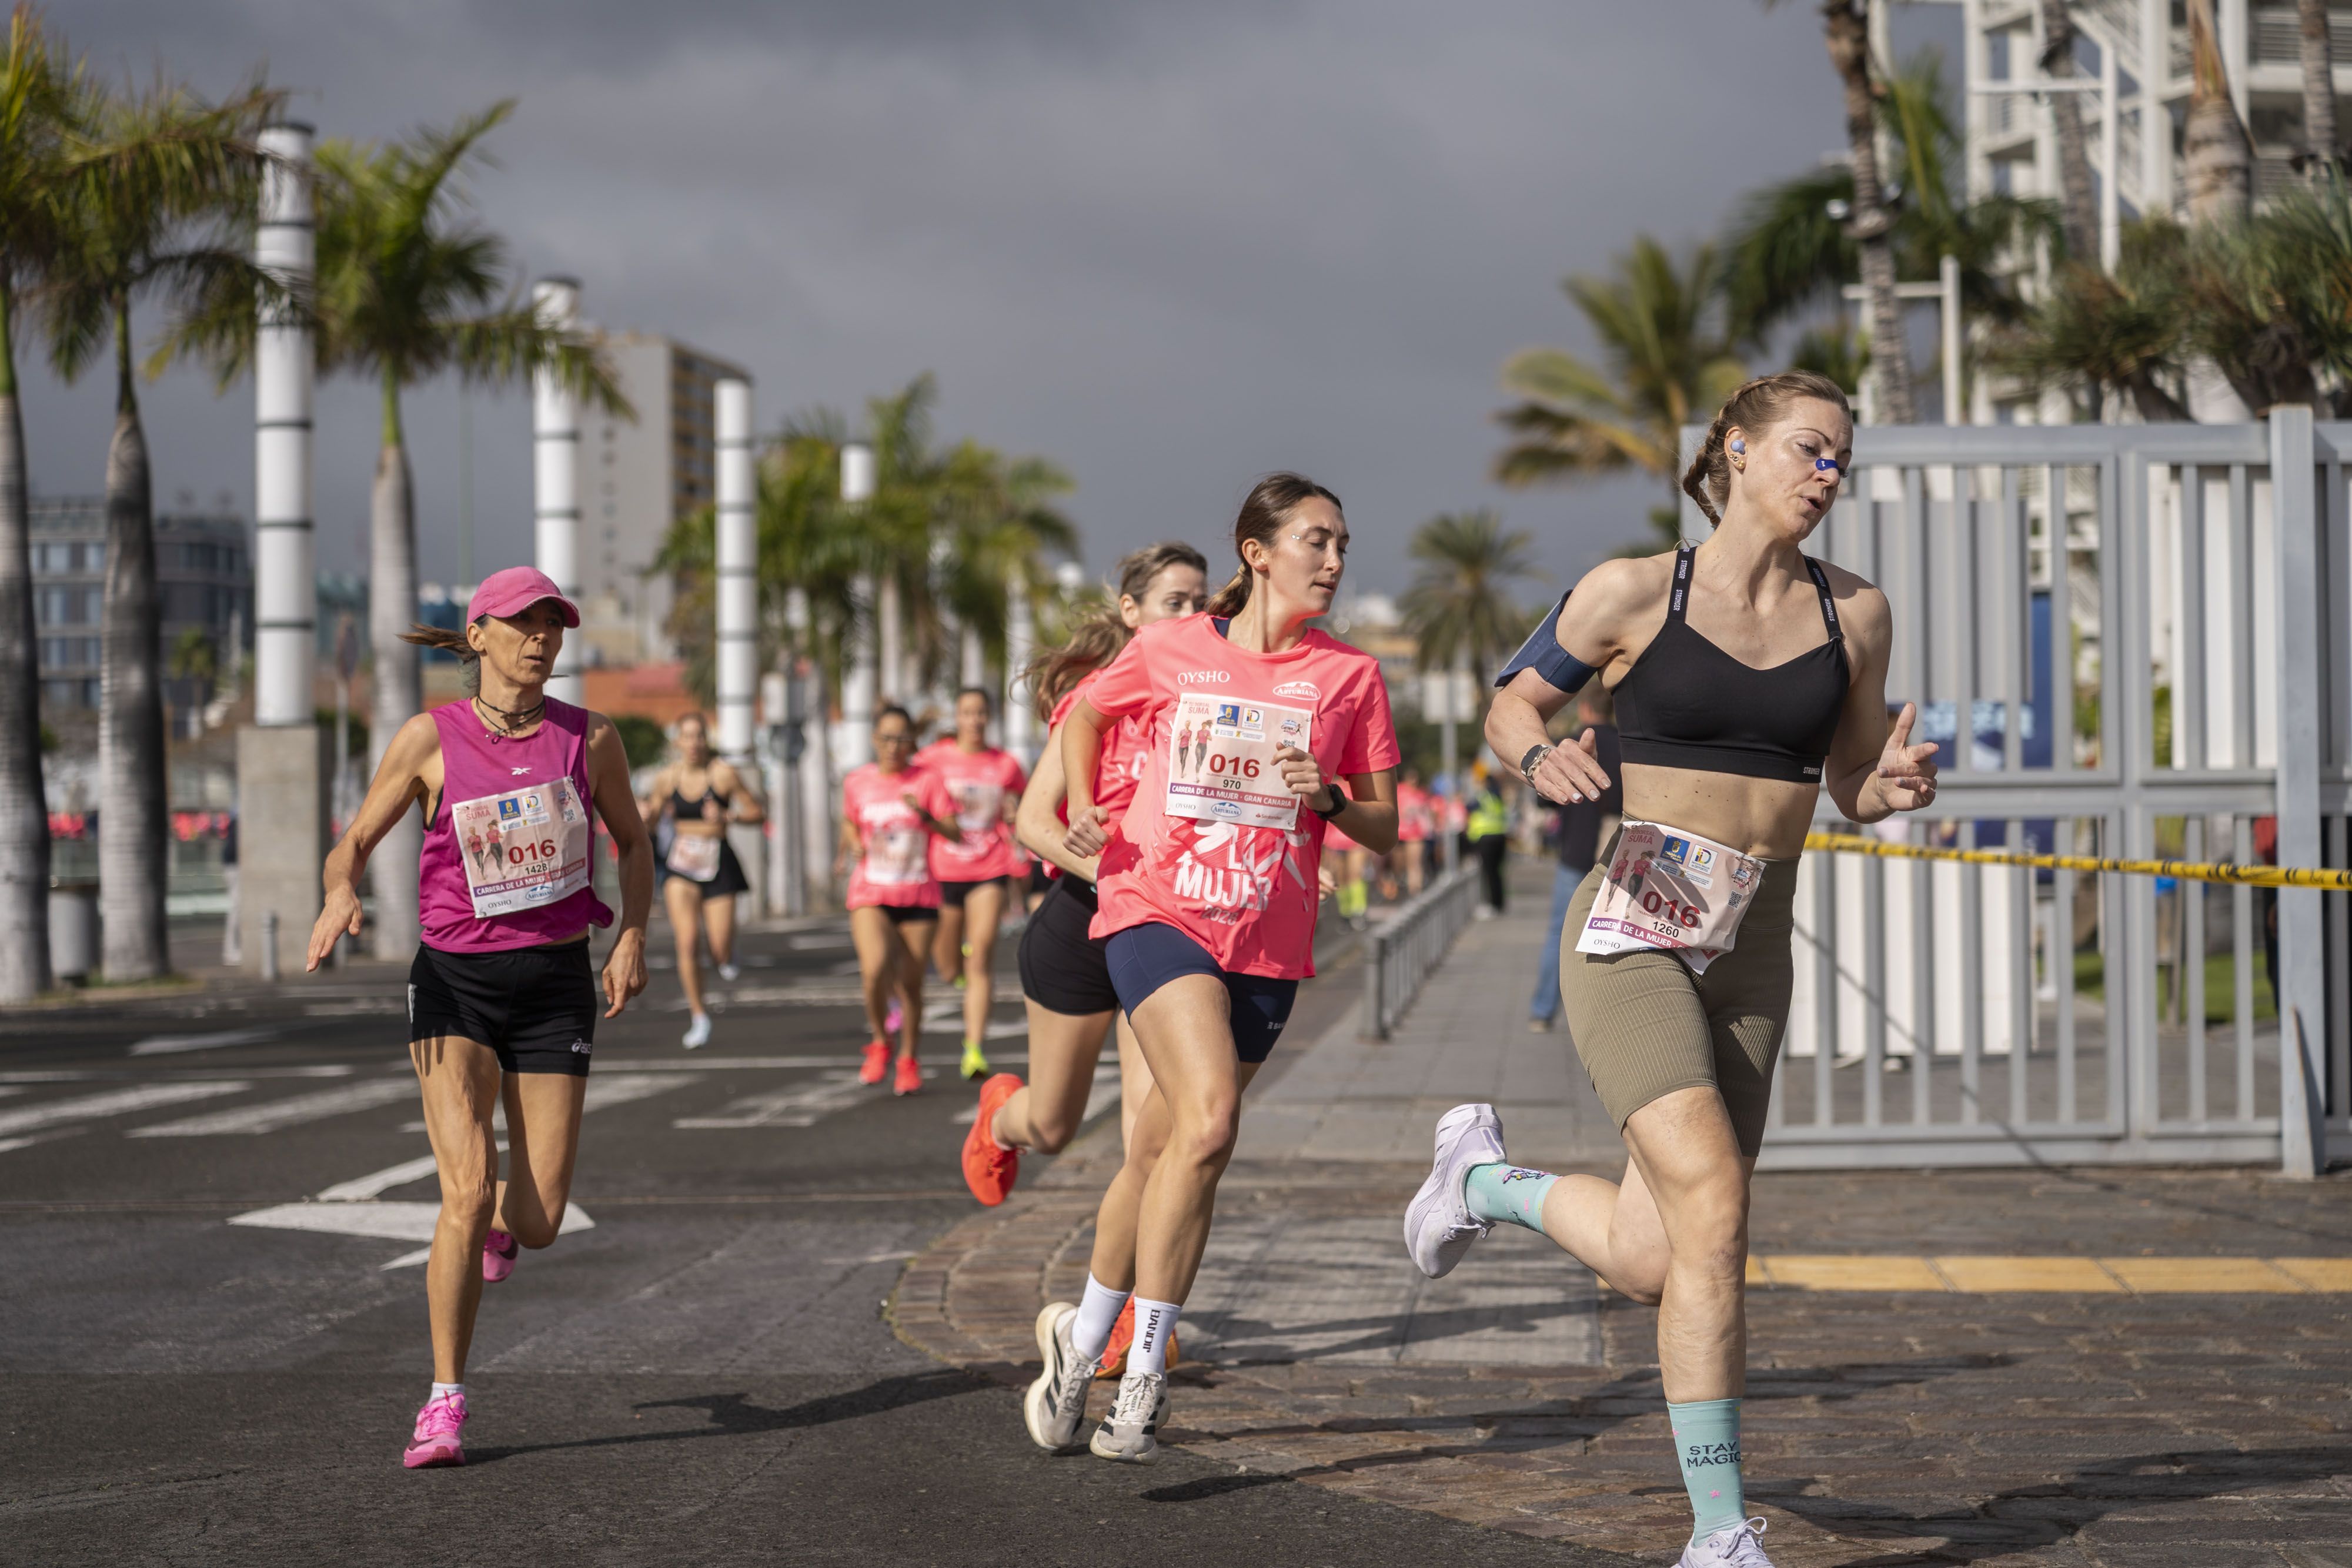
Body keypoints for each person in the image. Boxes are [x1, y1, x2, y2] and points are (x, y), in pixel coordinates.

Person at [1404, 372, 1937, 1567]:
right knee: (1716, 1206)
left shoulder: (1856, 613)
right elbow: (1510, 704)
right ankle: (1720, 1532)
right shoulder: (1635, 590)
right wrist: (1535, 754)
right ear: (1735, 451)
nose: (1827, 475)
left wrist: (1888, 788)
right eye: (1807, 449)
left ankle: (1480, 1182)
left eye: (1841, 460)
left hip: (1753, 944)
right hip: (1634, 926)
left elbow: (1849, 778)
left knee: (1658, 1255)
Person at [1025, 475, 1400, 1463]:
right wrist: (1083, 808)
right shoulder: (1171, 648)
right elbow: (1083, 716)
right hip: (1158, 907)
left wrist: (1328, 798)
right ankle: (1144, 1373)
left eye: (1343, 544)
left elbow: (1386, 826)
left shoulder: (1351, 678)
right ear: (1256, 551)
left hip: (1267, 939)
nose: (1334, 559)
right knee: (1210, 1120)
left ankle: (1079, 1346)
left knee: (1167, 1147)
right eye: (1316, 540)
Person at [302, 566, 653, 1471]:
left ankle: (505, 1219)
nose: (542, 638)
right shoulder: (431, 737)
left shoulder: (591, 736)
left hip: (555, 986)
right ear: (480, 636)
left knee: (538, 1218)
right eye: (524, 622)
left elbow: (633, 841)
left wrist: (631, 933)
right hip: (455, 985)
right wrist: (340, 891)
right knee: (462, 1189)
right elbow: (353, 841)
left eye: (553, 623)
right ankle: (444, 1398)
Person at [961, 544, 1208, 1369]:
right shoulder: (1093, 701)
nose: (1192, 615)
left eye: (1201, 601)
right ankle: (1000, 1115)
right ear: (1132, 612)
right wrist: (1109, 869)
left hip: (1163, 933)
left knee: (1152, 1139)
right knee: (1055, 1124)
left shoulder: (1209, 699)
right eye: (1175, 601)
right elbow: (1032, 824)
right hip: (1079, 922)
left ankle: (1135, 1316)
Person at [839, 705, 958, 1096]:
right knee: (874, 969)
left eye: (902, 739)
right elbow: (849, 820)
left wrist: (925, 816)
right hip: (870, 891)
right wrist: (853, 842)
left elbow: (954, 831)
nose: (894, 746)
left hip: (918, 893)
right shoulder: (858, 781)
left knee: (910, 984)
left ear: (913, 741)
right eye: (887, 738)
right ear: (875, 739)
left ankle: (908, 1058)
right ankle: (879, 1040)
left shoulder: (928, 780)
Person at [916, 690, 1028, 1081]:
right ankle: (956, 965)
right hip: (943, 869)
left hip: (989, 866)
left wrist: (1014, 815)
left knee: (981, 956)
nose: (975, 720)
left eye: (981, 713)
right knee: (948, 967)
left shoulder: (1005, 764)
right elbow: (910, 787)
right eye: (967, 712)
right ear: (957, 717)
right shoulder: (933, 759)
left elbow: (1021, 800)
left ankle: (974, 1048)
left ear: (989, 717)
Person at [639, 711, 764, 1049]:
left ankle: (728, 951)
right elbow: (650, 822)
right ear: (678, 742)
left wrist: (728, 815)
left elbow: (758, 812)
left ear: (707, 740)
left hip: (718, 861)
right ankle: (699, 1016)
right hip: (682, 865)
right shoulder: (668, 778)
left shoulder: (723, 774)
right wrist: (646, 816)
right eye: (688, 736)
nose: (694, 743)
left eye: (699, 736)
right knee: (687, 942)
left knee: (719, 948)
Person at [1529, 687, 1621, 1032]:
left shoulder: (1568, 747)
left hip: (1575, 855)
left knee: (1560, 934)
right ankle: (1607, 1018)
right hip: (1618, 859)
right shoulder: (1628, 745)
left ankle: (1542, 1012)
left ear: (1584, 709)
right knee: (1617, 939)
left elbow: (1544, 799)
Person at [1465, 761, 1511, 917]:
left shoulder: (1482, 797)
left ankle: (1492, 905)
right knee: (1497, 873)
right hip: (1500, 837)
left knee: (1489, 874)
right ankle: (1499, 904)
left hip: (1486, 839)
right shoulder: (1498, 798)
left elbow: (1469, 808)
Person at [1392, 768, 1433, 898]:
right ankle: (1399, 882)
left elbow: (1427, 814)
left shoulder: (1421, 794)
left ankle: (1415, 892)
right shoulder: (1398, 790)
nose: (1413, 781)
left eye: (1415, 778)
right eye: (1411, 778)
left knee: (1414, 863)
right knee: (1398, 864)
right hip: (1398, 833)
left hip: (1415, 834)